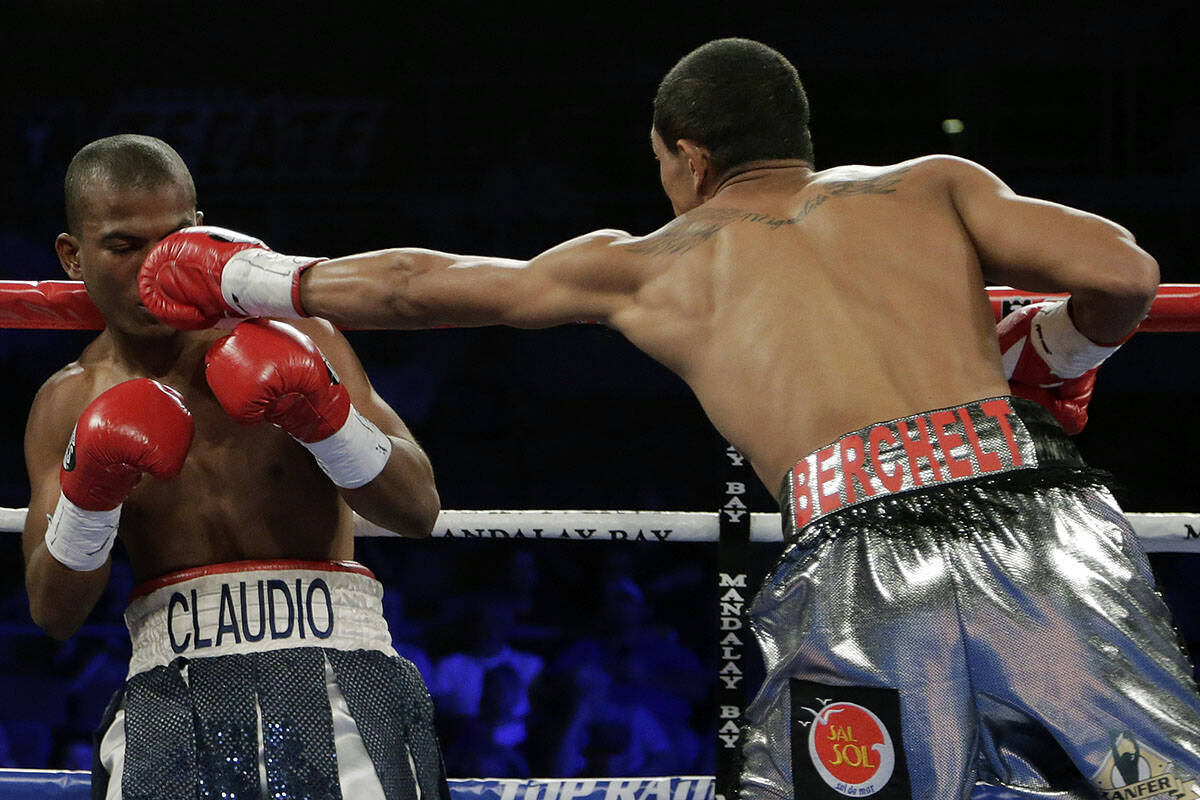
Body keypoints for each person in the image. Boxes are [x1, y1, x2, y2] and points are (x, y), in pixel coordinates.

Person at [137, 38, 1200, 799]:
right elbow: (1124, 271)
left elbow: (428, 285)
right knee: (1155, 784)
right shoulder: (931, 186)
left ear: (688, 156)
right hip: (1042, 509)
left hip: (867, 555)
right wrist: (1056, 346)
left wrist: (253, 274)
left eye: (662, 166)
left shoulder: (659, 263)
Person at [23, 134, 449, 800]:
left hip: (343, 675)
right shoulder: (68, 402)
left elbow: (418, 508)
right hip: (170, 691)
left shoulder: (301, 337)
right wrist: (92, 490)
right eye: (123, 246)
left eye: (171, 241)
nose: (152, 270)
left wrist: (324, 418)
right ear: (73, 256)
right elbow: (53, 611)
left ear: (200, 232)